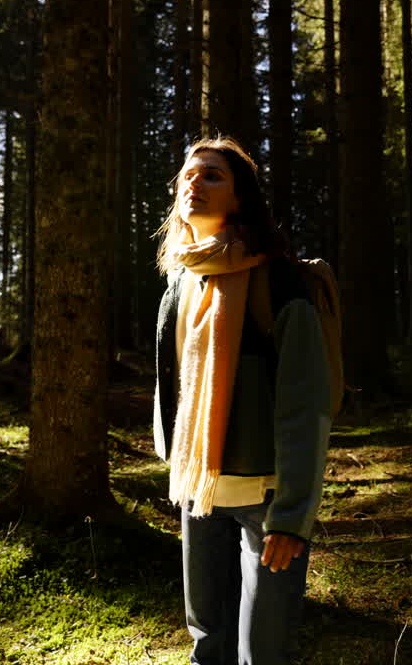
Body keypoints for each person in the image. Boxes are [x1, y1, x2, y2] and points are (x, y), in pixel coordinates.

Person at [153, 136, 332, 665]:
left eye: (212, 175)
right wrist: (175, 466)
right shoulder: (179, 282)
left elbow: (307, 403)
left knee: (264, 652)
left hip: (266, 498)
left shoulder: (278, 282)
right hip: (197, 492)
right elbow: (175, 382)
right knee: (207, 643)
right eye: (187, 175)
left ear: (240, 197)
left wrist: (292, 515)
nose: (194, 183)